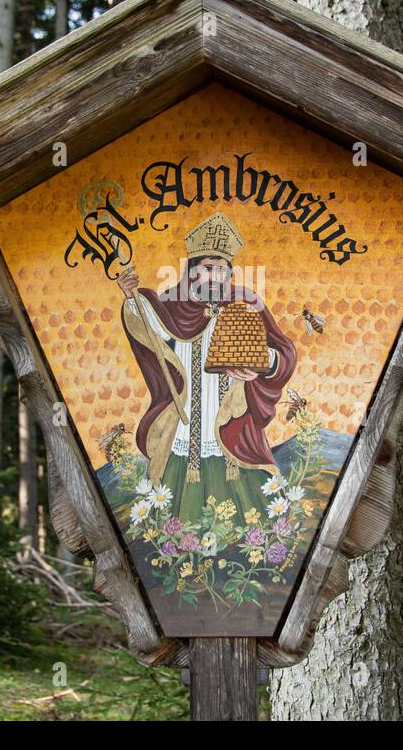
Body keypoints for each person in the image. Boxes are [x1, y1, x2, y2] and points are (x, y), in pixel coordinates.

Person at [116, 213, 296, 525]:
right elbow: (152, 331)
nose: (215, 277)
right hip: (185, 417)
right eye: (208, 268)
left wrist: (260, 366)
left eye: (222, 270)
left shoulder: (246, 303)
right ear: (193, 271)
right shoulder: (174, 305)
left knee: (251, 505)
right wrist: (133, 298)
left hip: (232, 411)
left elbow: (284, 352)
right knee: (173, 499)